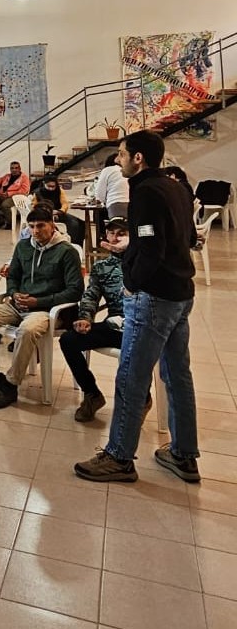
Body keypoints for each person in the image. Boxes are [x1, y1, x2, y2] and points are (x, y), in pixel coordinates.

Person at [75, 131, 200, 484]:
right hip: (181, 294)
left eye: (121, 154)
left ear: (139, 158)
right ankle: (183, 454)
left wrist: (131, 281)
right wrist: (133, 246)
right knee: (177, 375)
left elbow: (151, 250)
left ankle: (118, 456)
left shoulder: (144, 192)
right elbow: (186, 238)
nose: (118, 160)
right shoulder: (177, 186)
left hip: (155, 298)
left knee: (131, 375)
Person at [0, 204, 83, 409]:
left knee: (27, 330)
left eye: (40, 226)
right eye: (31, 226)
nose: (36, 231)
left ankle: (11, 383)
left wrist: (38, 302)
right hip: (17, 305)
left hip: (45, 310)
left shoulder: (67, 252)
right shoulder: (23, 246)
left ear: (52, 225)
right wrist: (13, 293)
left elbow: (75, 291)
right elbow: (14, 276)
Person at [58, 218, 135, 422]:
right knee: (69, 340)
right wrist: (85, 318)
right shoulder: (102, 267)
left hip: (140, 327)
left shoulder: (141, 263)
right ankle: (92, 394)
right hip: (115, 325)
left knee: (135, 350)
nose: (116, 238)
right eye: (112, 233)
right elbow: (91, 295)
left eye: (122, 233)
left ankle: (140, 400)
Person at [33, 176, 83, 245]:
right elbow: (35, 207)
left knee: (77, 223)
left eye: (53, 186)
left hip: (58, 213)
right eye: (49, 186)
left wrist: (60, 211)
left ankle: (74, 244)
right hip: (43, 215)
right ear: (44, 184)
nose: (51, 188)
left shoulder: (59, 191)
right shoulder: (38, 193)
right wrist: (48, 212)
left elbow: (65, 204)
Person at [0, 161, 30, 228]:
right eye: (12, 168)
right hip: (2, 195)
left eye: (16, 168)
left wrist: (9, 194)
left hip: (15, 197)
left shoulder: (24, 178)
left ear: (20, 168)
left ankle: (10, 223)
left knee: (5, 205)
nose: (14, 170)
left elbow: (24, 190)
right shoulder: (7, 176)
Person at [94, 152, 129, 219]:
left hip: (116, 205)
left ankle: (103, 229)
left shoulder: (107, 170)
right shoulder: (128, 171)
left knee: (101, 214)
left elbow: (99, 196)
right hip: (133, 205)